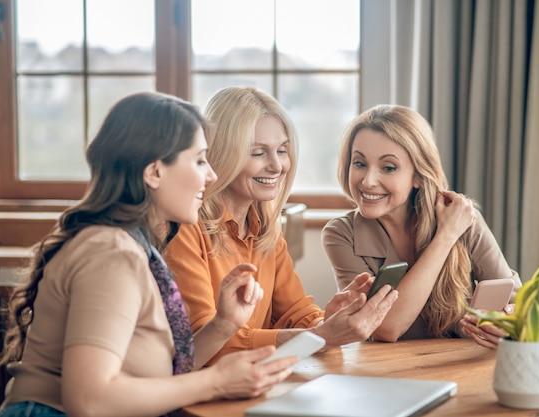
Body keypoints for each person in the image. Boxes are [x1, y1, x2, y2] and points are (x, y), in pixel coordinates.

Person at [0, 92, 297, 417]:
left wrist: (223, 324)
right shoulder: (111, 253)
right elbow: (89, 400)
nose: (211, 175)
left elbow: (160, 377)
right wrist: (217, 381)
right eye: (199, 160)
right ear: (154, 172)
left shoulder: (134, 247)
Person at [164, 86, 398, 366]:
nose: (277, 166)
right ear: (223, 155)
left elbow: (295, 312)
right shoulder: (186, 228)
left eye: (282, 150)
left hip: (252, 382)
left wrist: (330, 320)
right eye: (258, 153)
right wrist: (320, 335)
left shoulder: (266, 230)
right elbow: (204, 342)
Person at [321, 104, 521, 349]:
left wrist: (509, 320)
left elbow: (515, 299)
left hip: (467, 367)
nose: (368, 181)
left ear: (418, 175)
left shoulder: (463, 218)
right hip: (388, 377)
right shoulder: (341, 235)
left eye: (388, 168)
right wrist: (445, 237)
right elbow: (386, 328)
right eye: (359, 163)